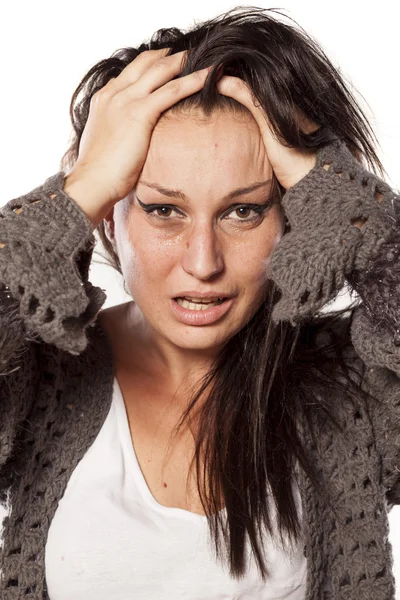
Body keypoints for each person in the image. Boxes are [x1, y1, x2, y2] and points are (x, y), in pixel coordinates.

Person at [0, 5, 399, 599]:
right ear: (111, 219)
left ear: (292, 213)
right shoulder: (40, 377)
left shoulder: (355, 389)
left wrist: (343, 196)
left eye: (245, 210)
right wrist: (79, 190)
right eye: (164, 210)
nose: (203, 261)